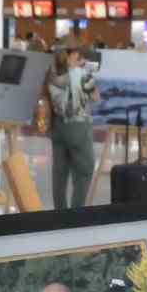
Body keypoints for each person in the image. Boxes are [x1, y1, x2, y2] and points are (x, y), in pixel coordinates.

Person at [47, 47, 97, 209]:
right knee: (84, 172)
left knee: (59, 175)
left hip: (58, 127)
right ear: (71, 57)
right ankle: (76, 215)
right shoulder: (82, 75)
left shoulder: (52, 76)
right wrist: (89, 73)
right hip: (78, 127)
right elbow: (96, 97)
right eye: (78, 56)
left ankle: (59, 215)